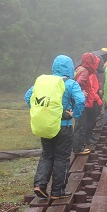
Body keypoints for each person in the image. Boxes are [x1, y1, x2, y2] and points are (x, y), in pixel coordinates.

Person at [25, 55, 85, 200]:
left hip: (46, 125)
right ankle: (57, 191)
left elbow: (28, 97)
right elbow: (81, 100)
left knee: (47, 155)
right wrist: (74, 115)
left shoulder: (44, 83)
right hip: (64, 127)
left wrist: (40, 112)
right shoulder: (71, 84)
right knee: (62, 158)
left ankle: (40, 184)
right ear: (70, 68)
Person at [72, 52, 102, 154]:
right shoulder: (85, 72)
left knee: (80, 124)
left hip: (80, 102)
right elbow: (77, 84)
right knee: (81, 124)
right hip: (82, 102)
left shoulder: (79, 68)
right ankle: (78, 148)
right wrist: (79, 92)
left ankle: (78, 146)